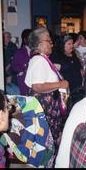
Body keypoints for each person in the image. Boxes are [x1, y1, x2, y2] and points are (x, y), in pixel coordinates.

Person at [24, 27, 69, 159]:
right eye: (49, 41)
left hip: (47, 108)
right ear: (40, 44)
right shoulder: (39, 60)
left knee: (46, 143)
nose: (52, 44)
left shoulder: (40, 59)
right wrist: (60, 84)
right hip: (45, 109)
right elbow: (37, 86)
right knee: (46, 142)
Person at [11, 29, 32, 95]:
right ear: (25, 39)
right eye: (30, 38)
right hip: (23, 81)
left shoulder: (36, 51)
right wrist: (24, 69)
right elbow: (14, 67)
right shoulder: (19, 52)